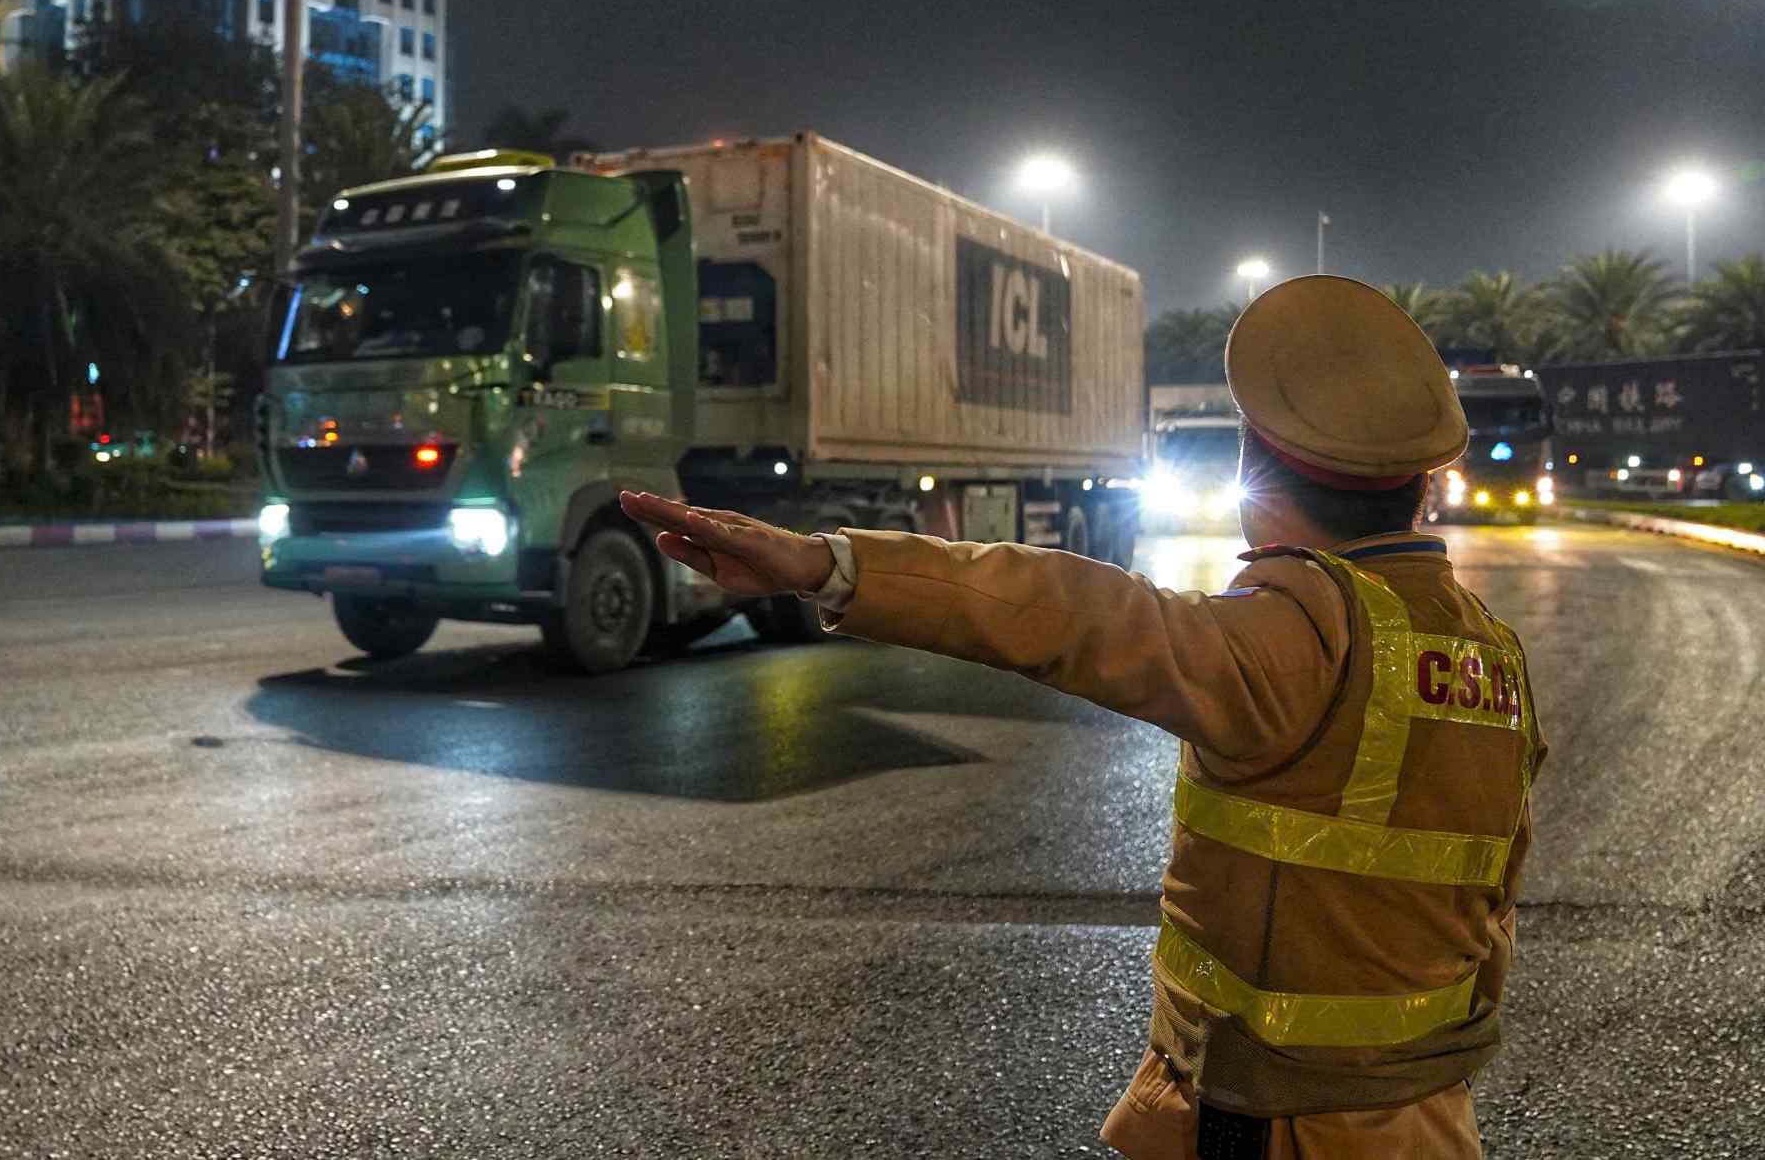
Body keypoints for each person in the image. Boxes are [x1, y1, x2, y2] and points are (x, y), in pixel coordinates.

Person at [620, 275, 1545, 1160]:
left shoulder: (1303, 636)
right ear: (1420, 484)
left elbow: (1068, 610)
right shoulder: (1490, 653)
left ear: (1254, 463)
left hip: (1282, 1125)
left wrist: (828, 567)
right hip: (1424, 1114)